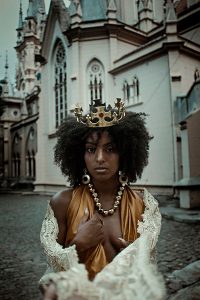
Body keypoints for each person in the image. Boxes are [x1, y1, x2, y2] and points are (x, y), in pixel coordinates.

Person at [40, 99, 165, 300]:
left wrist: (134, 260)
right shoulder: (62, 203)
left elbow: (147, 274)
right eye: (91, 149)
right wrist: (78, 245)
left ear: (125, 152)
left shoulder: (144, 204)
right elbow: (54, 273)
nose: (99, 158)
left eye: (110, 148)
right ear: (79, 154)